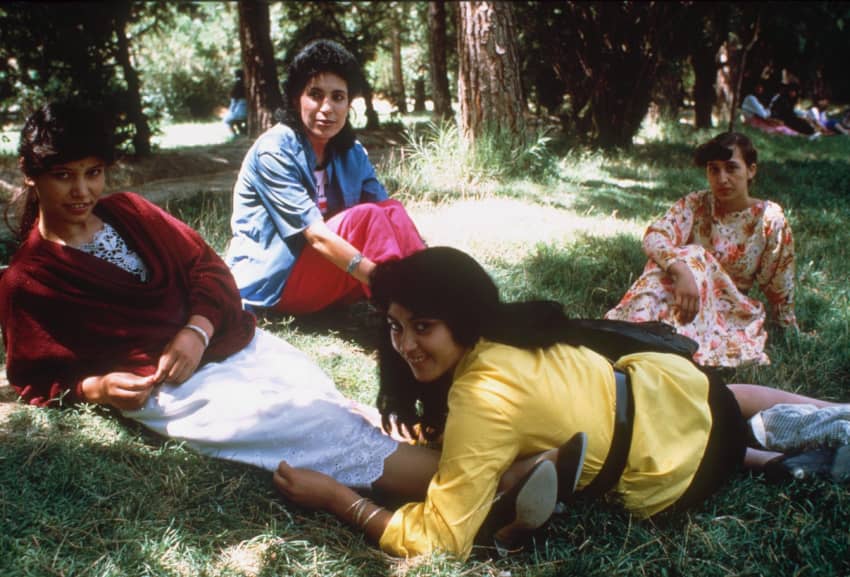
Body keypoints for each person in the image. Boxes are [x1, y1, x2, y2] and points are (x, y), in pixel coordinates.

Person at [0, 99, 455, 503]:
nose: (82, 191)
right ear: (30, 172)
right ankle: (489, 487)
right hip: (176, 390)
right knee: (310, 423)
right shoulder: (27, 279)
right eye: (63, 176)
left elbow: (209, 269)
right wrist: (94, 388)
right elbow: (35, 376)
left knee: (322, 397)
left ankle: (493, 461)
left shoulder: (131, 212)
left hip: (226, 339)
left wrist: (196, 330)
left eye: (93, 173)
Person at [273, 246, 849, 560]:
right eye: (396, 328)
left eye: (422, 327)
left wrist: (339, 499)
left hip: (676, 472)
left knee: (480, 475)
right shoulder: (510, 328)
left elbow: (439, 541)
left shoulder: (481, 394)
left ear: (459, 321)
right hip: (677, 391)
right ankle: (776, 448)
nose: (405, 346)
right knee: (729, 417)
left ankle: (774, 453)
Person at [225, 39, 424, 314]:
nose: (327, 108)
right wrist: (379, 280)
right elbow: (317, 236)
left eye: (338, 97)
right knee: (368, 217)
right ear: (297, 99)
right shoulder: (274, 150)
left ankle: (430, 292)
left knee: (391, 210)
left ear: (348, 103)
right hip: (277, 283)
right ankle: (407, 307)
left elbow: (390, 219)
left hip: (328, 271)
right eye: (316, 95)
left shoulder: (351, 151)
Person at [604, 132, 797, 367]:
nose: (722, 178)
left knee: (694, 254)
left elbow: (780, 282)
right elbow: (655, 235)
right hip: (681, 294)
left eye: (731, 168)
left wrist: (787, 326)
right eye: (713, 169)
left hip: (727, 308)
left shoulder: (769, 219)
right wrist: (681, 270)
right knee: (668, 263)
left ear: (751, 171)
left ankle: (659, 346)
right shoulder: (696, 203)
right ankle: (633, 332)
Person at [223, 69, 247, 136]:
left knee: (227, 120)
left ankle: (234, 135)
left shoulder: (237, 87)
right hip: (247, 113)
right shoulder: (246, 84)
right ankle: (243, 132)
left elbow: (232, 106)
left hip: (240, 112)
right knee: (236, 119)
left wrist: (231, 110)